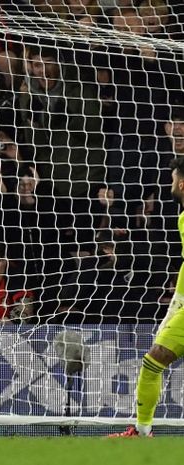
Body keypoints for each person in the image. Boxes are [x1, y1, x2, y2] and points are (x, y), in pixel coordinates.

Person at [110, 157, 184, 437]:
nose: (170, 185)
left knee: (152, 363)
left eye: (172, 179)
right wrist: (177, 300)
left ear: (181, 183)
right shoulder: (182, 217)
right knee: (152, 362)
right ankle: (142, 433)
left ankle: (142, 432)